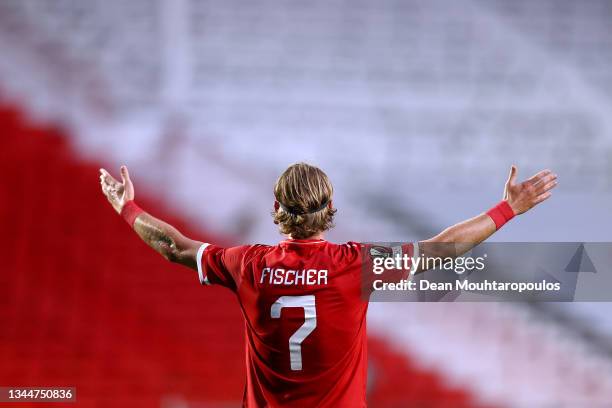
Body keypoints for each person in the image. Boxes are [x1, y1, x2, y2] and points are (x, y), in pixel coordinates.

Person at [99, 162, 557, 407]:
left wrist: (127, 208)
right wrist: (506, 210)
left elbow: (176, 247)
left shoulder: (248, 266)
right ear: (330, 206)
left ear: (276, 206)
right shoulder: (354, 264)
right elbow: (441, 248)